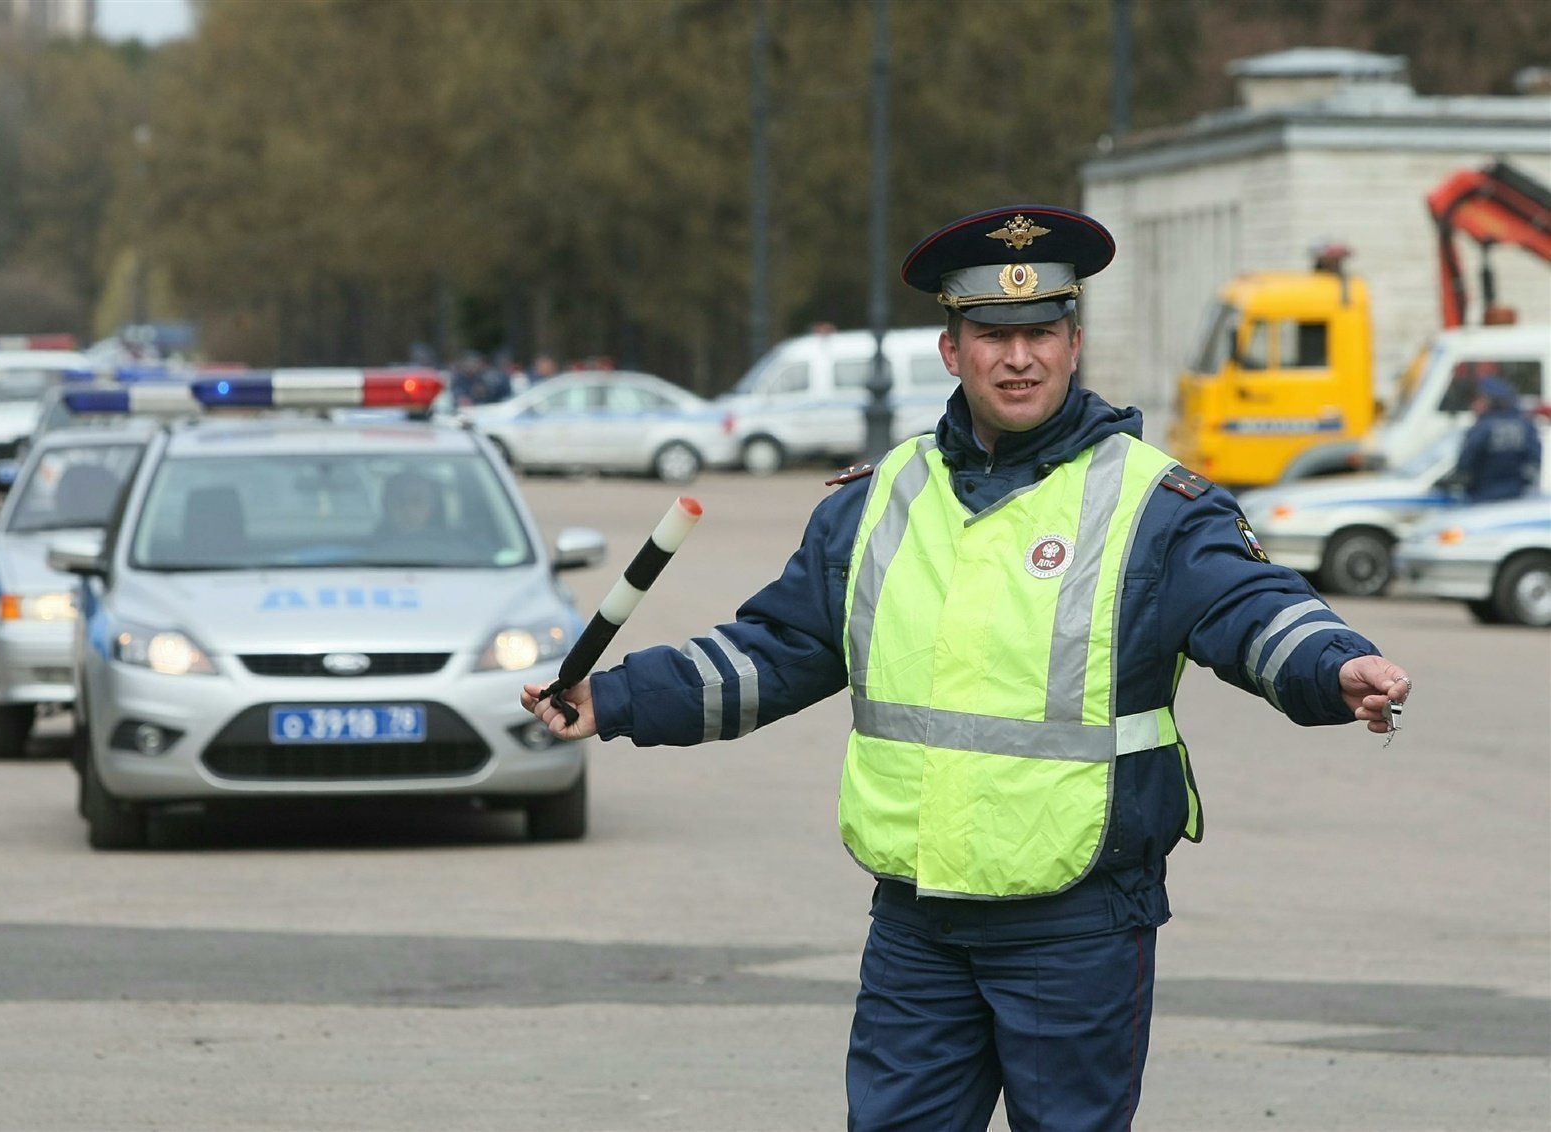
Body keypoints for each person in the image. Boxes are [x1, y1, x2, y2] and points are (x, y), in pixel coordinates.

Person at [521, 204, 1413, 1131]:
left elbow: (1249, 608)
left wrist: (1333, 664)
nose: (1017, 357)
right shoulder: (874, 502)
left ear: (1074, 343)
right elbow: (775, 651)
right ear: (953, 350)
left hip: (1077, 919)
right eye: (993, 335)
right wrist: (615, 696)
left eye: (1040, 334)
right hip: (918, 922)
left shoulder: (1155, 501)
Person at [1451, 375, 1541, 502]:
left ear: (1490, 400)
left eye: (1478, 399)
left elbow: (1465, 466)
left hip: (1483, 498)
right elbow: (1536, 460)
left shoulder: (1482, 428)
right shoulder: (1525, 425)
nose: (1473, 405)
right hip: (1518, 497)